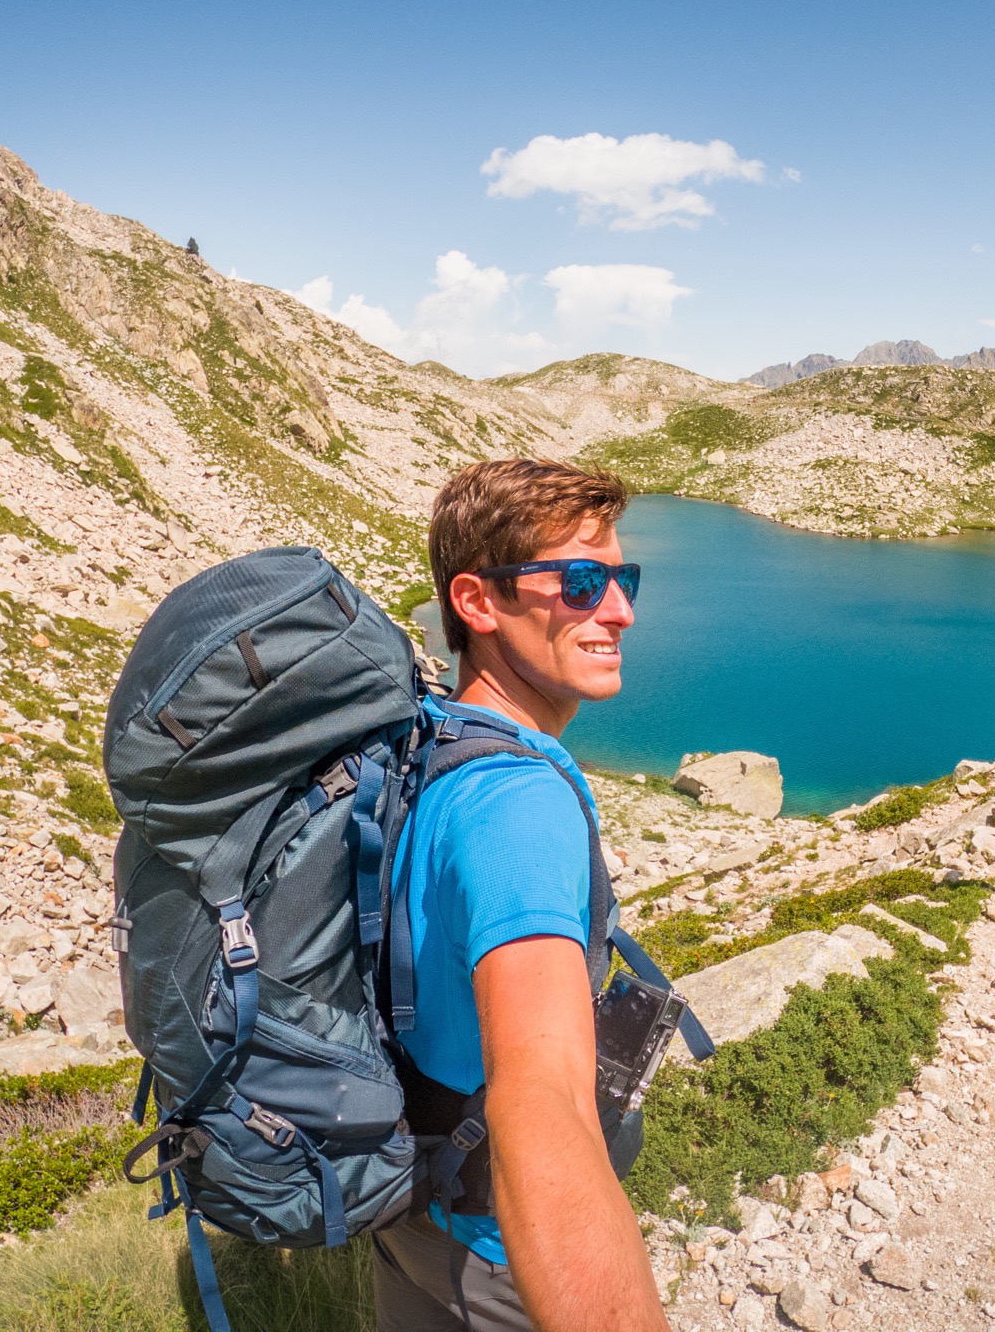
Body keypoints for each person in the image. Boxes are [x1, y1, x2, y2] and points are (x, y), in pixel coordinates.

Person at [373, 458, 667, 1332]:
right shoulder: (519, 804)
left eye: (621, 580)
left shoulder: (433, 734)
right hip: (494, 1245)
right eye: (580, 583)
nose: (619, 611)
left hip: (409, 1205)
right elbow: (542, 1098)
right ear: (477, 601)